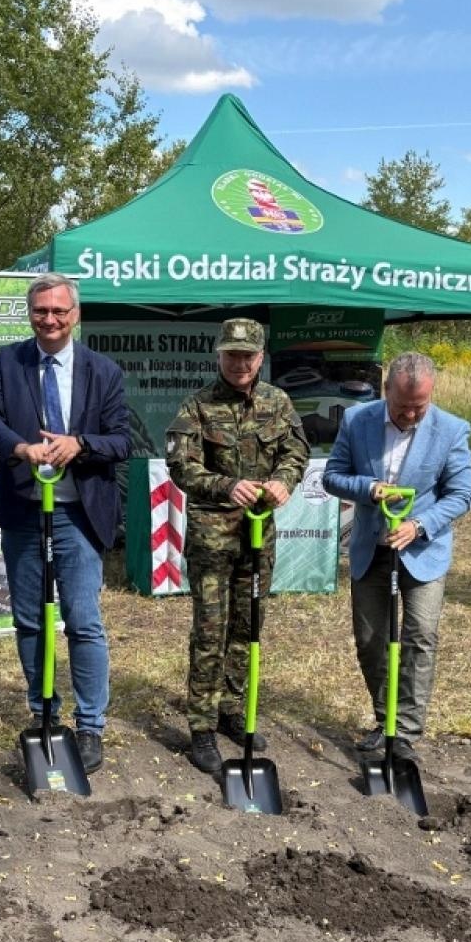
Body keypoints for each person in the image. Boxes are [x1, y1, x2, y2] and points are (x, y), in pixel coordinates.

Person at [0, 274, 131, 774]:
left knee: (84, 622)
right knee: (29, 621)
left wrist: (79, 443)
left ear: (75, 315)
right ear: (30, 314)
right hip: (24, 509)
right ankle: (44, 715)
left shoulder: (102, 371)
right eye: (41, 311)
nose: (51, 319)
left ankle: (90, 727)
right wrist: (21, 447)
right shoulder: (7, 361)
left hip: (77, 515)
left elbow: (122, 440)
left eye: (60, 311)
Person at [166, 318, 309, 774]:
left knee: (248, 627)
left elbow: (296, 452)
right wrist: (228, 486)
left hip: (258, 534)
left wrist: (285, 482)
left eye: (248, 355)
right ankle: (202, 726)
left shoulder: (278, 403)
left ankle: (233, 709)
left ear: (261, 357)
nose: (240, 363)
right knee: (210, 630)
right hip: (213, 537)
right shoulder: (198, 406)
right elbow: (180, 466)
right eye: (232, 354)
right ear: (219, 356)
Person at [322, 352, 471, 761]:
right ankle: (383, 718)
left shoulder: (451, 430)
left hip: (423, 550)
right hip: (372, 547)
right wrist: (367, 488)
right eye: (403, 405)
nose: (410, 414)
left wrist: (419, 524)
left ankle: (404, 731)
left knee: (420, 637)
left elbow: (462, 494)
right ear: (385, 389)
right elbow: (332, 475)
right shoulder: (357, 421)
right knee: (372, 639)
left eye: (419, 406)